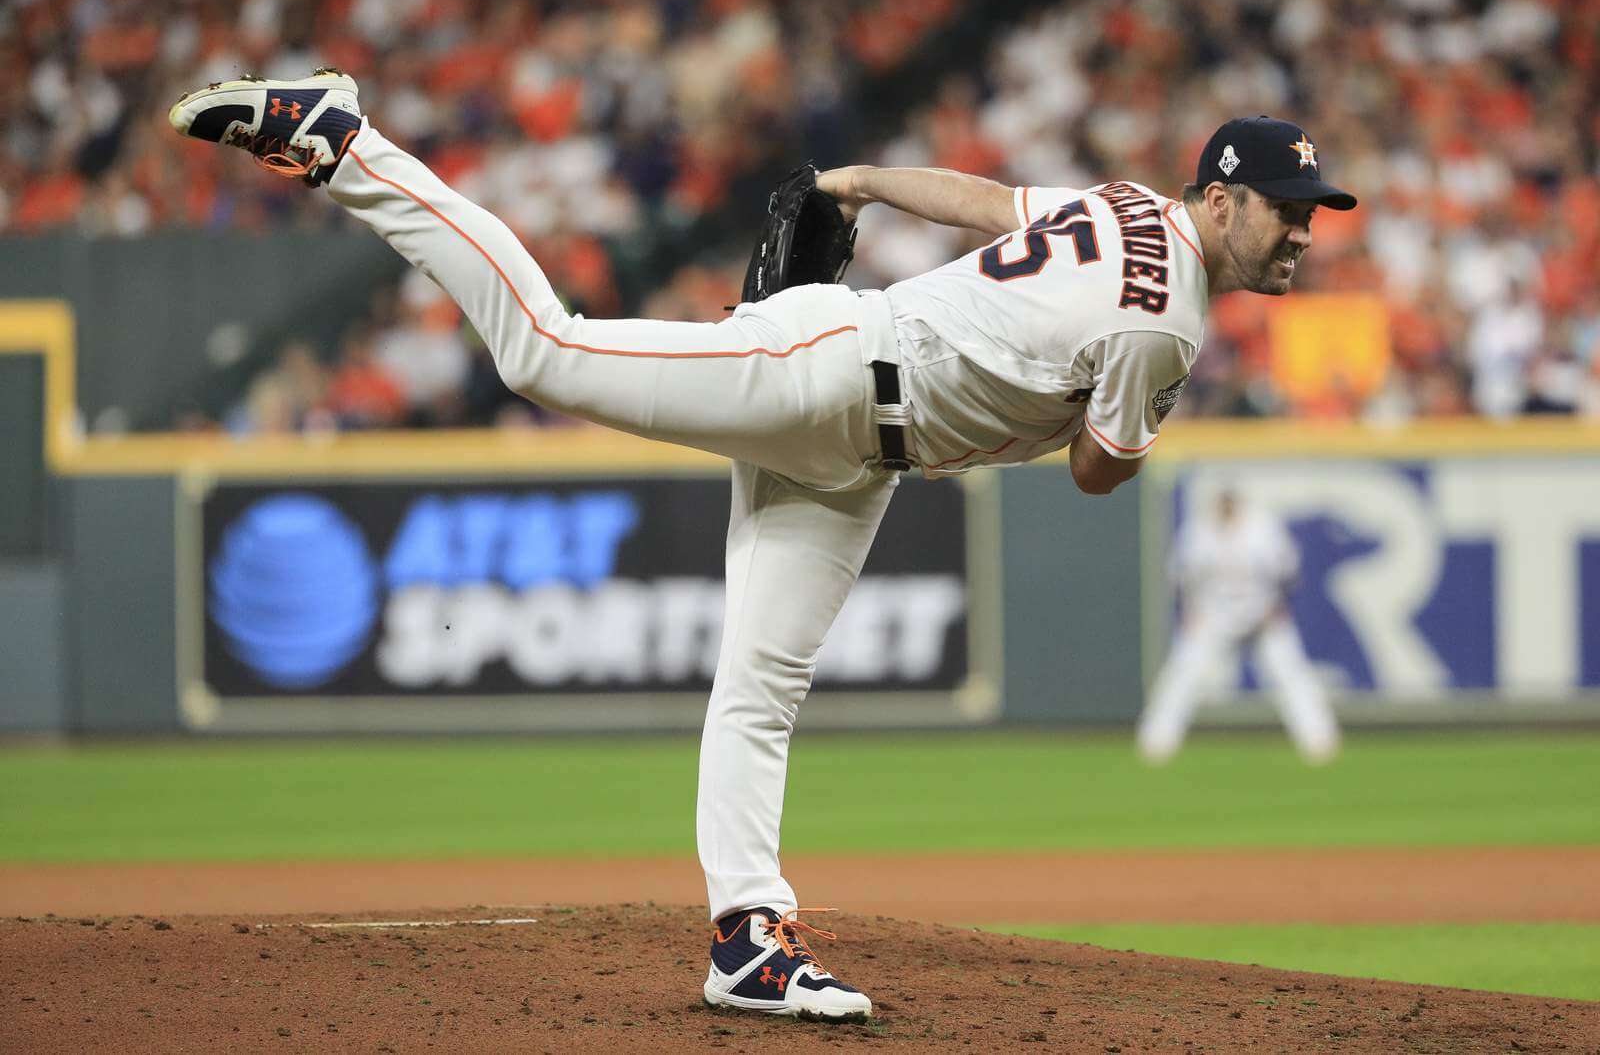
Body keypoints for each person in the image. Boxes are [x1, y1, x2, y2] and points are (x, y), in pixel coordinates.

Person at [169, 69, 1356, 1022]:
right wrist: (1134, 411)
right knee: (543, 350)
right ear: (1219, 198)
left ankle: (746, 937)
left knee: (760, 686)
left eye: (1313, 213)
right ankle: (344, 143)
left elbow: (985, 200)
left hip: (860, 451)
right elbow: (1098, 475)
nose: (1304, 229)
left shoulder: (1127, 207)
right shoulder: (1170, 325)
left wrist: (857, 180)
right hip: (828, 372)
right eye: (1287, 208)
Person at [1137, 487, 1341, 765]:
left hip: (1262, 615)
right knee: (1182, 674)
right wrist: (1191, 612)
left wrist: (1276, 605)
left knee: (1292, 674)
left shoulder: (1262, 528)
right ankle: (1156, 742)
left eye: (1230, 503)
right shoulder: (1199, 531)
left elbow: (1288, 572)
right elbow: (1181, 577)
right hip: (1213, 616)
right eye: (1222, 503)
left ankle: (1319, 740)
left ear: (1239, 504)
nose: (1226, 508)